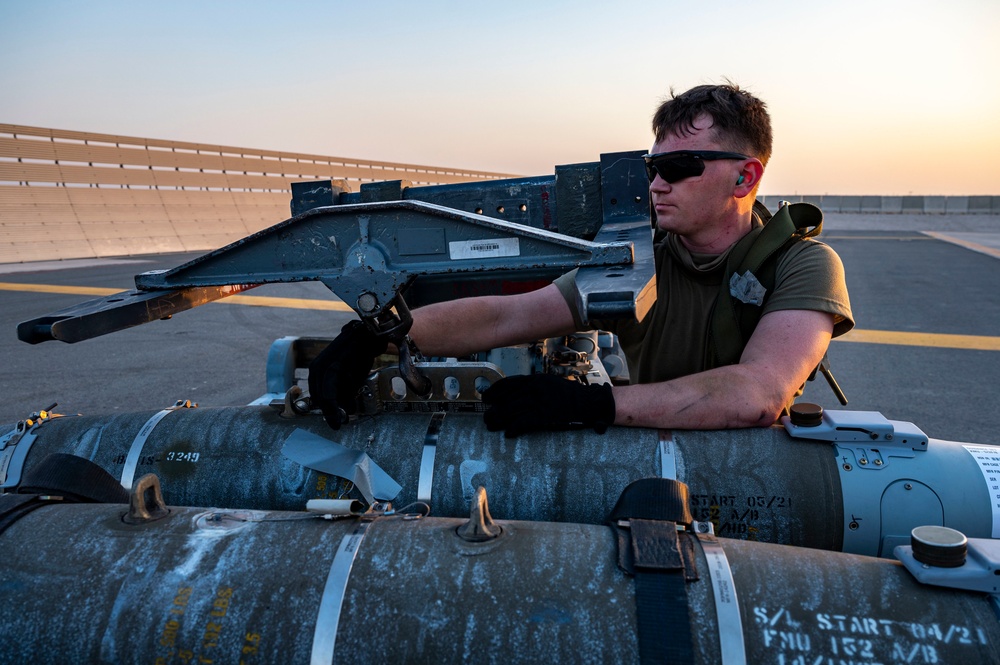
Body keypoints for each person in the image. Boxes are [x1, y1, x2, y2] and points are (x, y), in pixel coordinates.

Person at [309, 83, 854, 436]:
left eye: (683, 166)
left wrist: (595, 406)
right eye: (651, 167)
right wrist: (384, 334)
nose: (658, 184)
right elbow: (510, 317)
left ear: (746, 176)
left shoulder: (800, 264)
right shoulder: (636, 261)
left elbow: (758, 393)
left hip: (752, 471)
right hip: (650, 447)